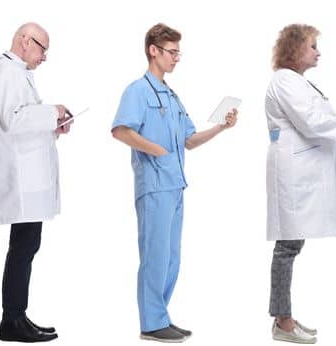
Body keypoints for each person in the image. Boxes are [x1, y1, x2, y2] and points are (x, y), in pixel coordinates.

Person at [111, 22, 239, 343]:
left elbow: (190, 140)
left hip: (176, 185)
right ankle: (151, 322)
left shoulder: (172, 96)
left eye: (178, 53)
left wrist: (222, 127)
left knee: (171, 257)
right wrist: (155, 149)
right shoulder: (137, 91)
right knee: (154, 255)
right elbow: (120, 130)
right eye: (171, 52)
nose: (176, 58)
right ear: (153, 51)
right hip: (153, 185)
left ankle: (160, 316)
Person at [263, 23, 336, 344]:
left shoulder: (298, 83)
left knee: (292, 243)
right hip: (293, 170)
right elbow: (312, 123)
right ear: (295, 49)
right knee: (287, 245)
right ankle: (282, 321)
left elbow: (317, 120)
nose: (318, 52)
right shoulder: (285, 81)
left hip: (302, 169)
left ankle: (285, 317)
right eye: (313, 46)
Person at [0, 22, 70, 343]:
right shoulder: (6, 71)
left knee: (25, 247)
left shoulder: (18, 74)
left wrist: (54, 126)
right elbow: (12, 116)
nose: (44, 56)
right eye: (42, 48)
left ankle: (17, 317)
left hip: (28, 182)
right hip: (19, 184)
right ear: (24, 40)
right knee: (22, 249)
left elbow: (23, 122)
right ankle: (12, 321)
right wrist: (53, 111)